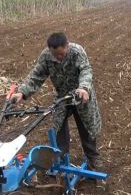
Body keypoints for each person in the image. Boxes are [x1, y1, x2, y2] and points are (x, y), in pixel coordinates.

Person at [11, 31, 104, 171]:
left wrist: (83, 88)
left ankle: (93, 157)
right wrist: (21, 92)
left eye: (61, 54)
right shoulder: (46, 56)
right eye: (55, 55)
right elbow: (36, 76)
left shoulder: (77, 52)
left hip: (80, 95)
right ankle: (61, 156)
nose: (58, 58)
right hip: (62, 96)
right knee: (58, 125)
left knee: (87, 127)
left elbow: (86, 70)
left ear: (67, 46)